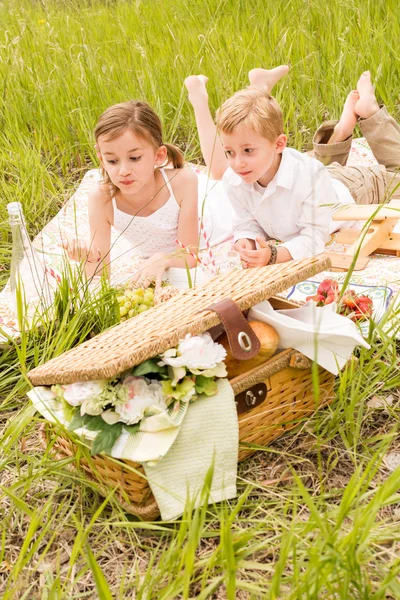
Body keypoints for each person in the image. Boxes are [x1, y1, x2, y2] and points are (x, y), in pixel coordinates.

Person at [185, 68, 400, 268]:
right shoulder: (235, 179)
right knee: (322, 169)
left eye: (248, 151)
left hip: (352, 189)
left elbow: (315, 237)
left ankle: (370, 111)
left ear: (279, 144)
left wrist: (275, 254)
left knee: (396, 174)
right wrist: (246, 240)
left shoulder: (309, 177)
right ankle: (341, 130)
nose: (237, 163)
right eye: (229, 153)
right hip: (319, 181)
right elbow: (247, 222)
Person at [64, 100, 199, 288]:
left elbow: (190, 256)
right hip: (155, 263)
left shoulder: (183, 182)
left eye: (134, 158)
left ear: (159, 156)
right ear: (101, 158)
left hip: (197, 243)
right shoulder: (102, 200)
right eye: (112, 161)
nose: (124, 170)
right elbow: (99, 277)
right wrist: (89, 258)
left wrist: (160, 259)